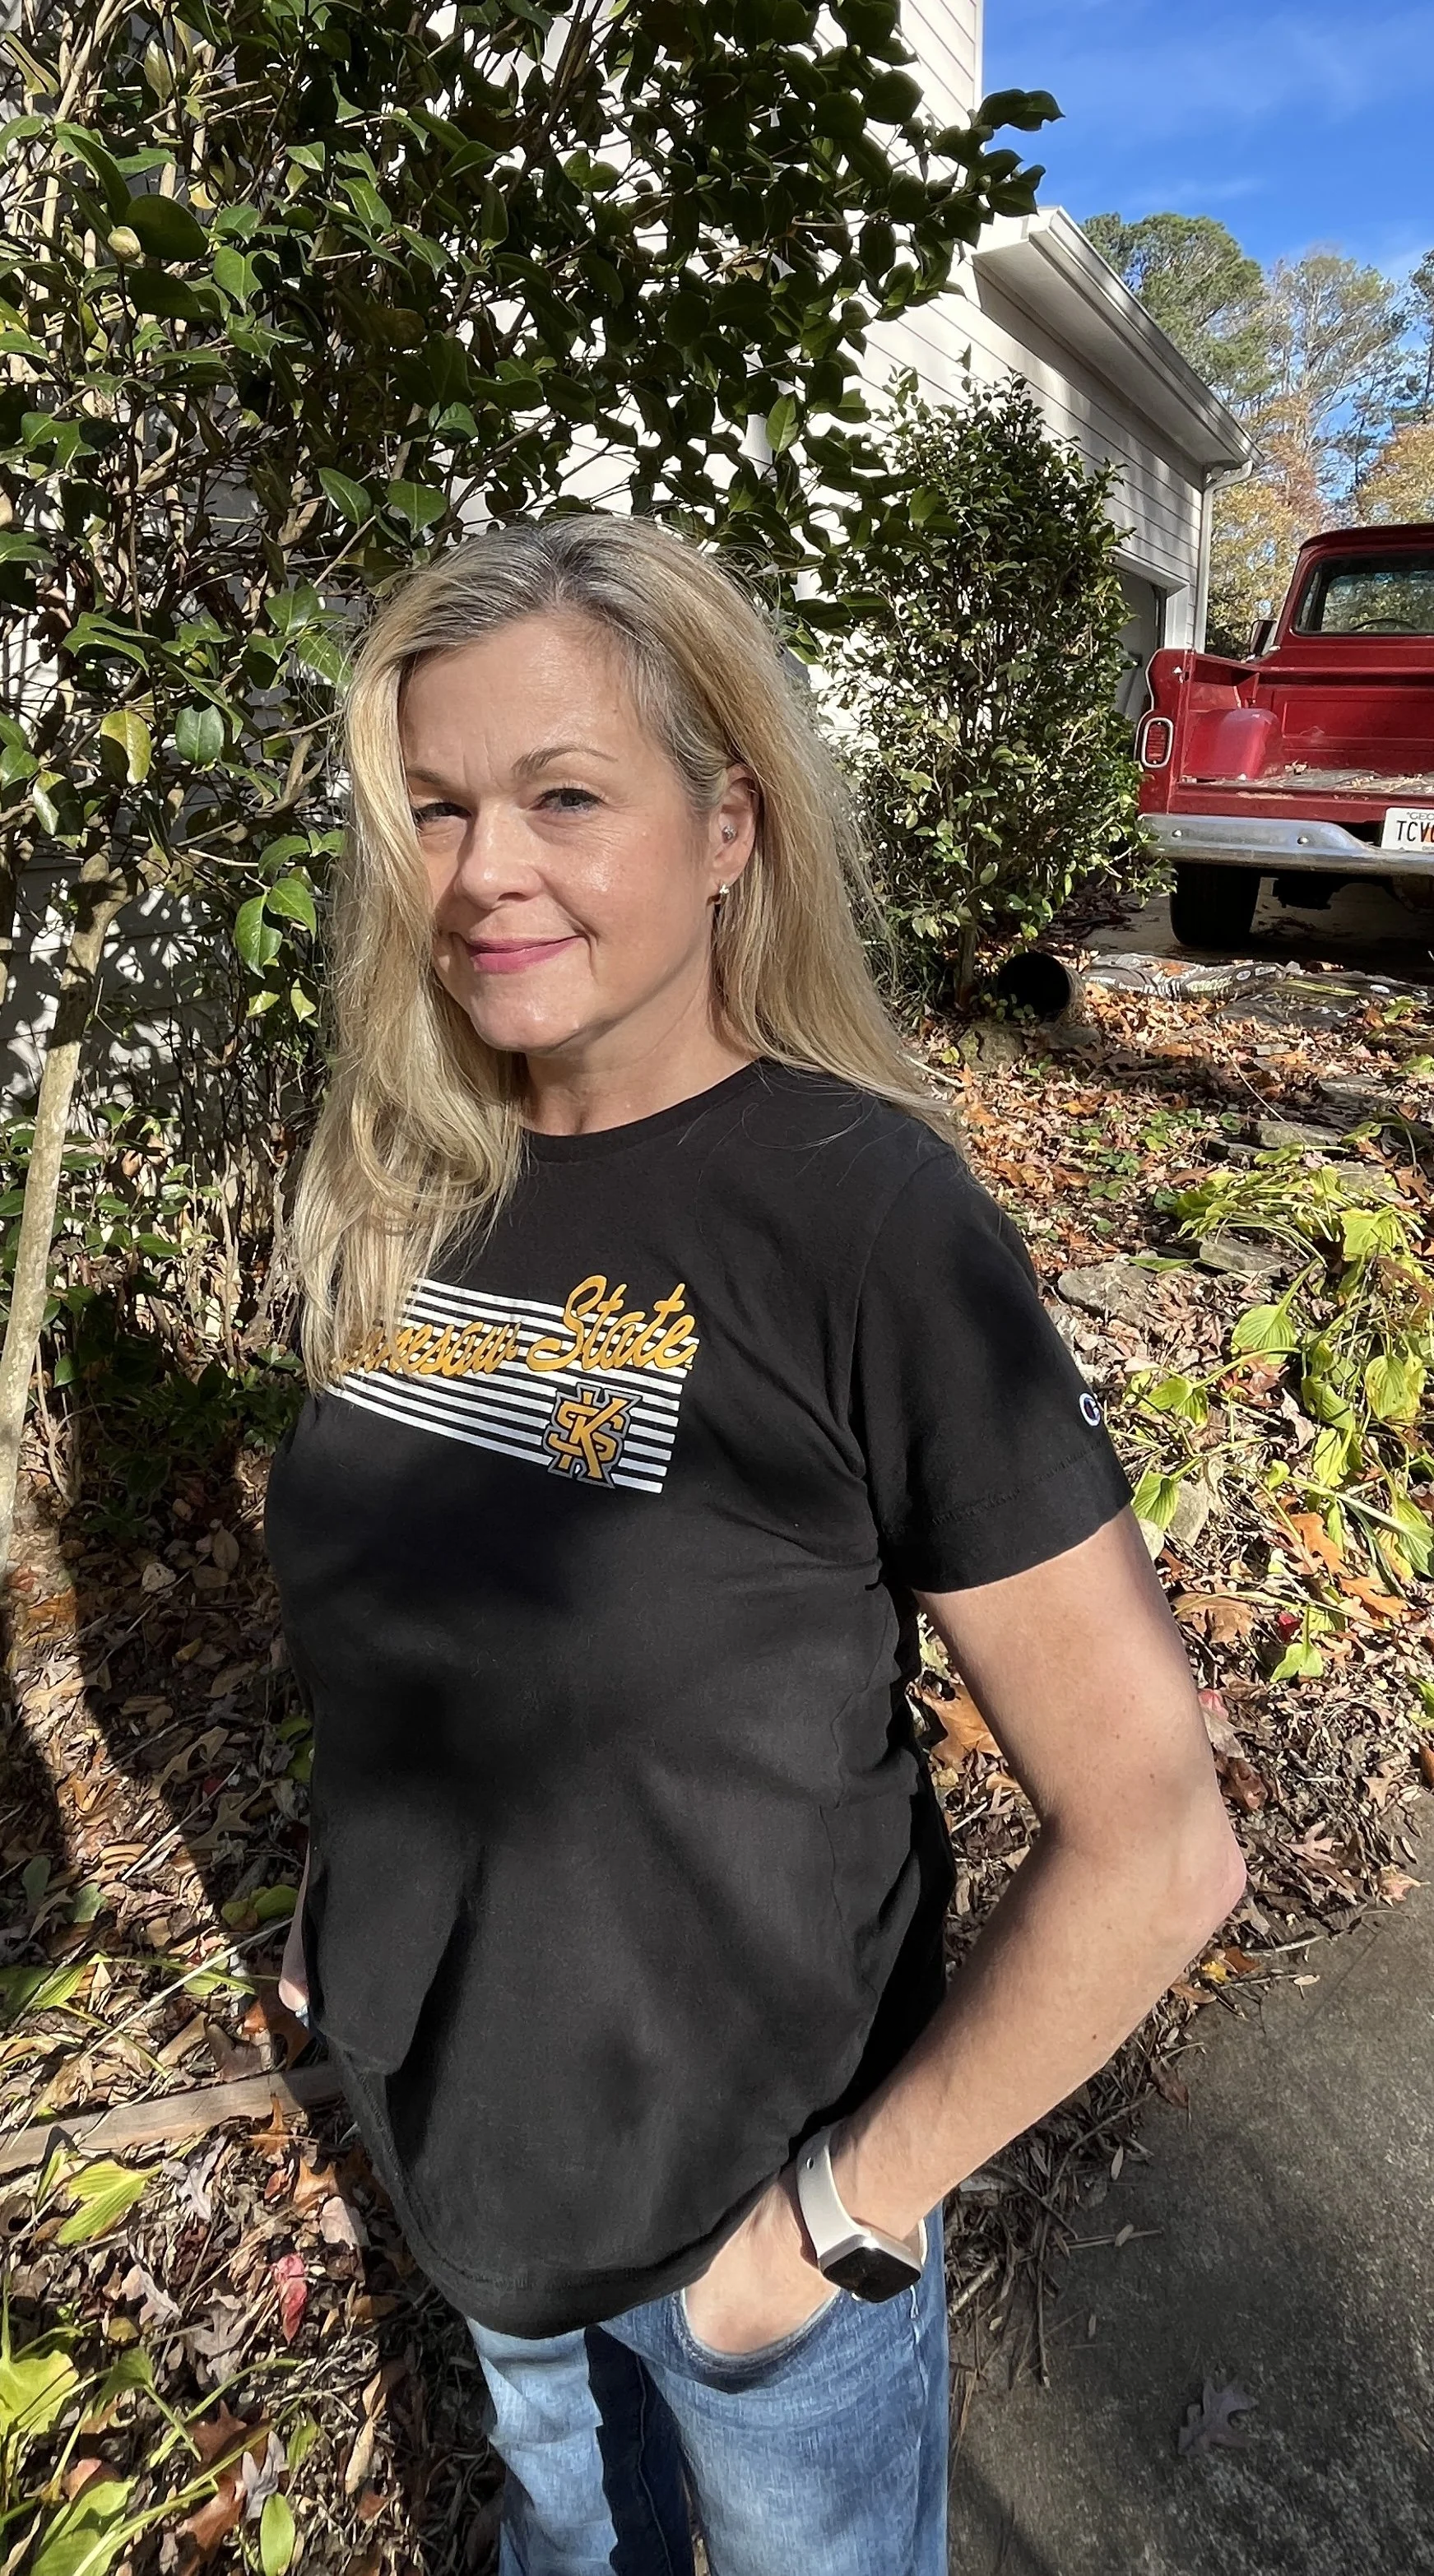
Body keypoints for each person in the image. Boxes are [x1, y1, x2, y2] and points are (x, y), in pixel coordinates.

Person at [264, 514, 1244, 2576]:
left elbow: (1157, 1837)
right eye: (435, 808)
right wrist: (350, 1930)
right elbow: (405, 1606)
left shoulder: (862, 1217)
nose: (483, 869)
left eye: (561, 797)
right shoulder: (403, 1175)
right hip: (471, 2167)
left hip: (747, 2224)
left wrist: (817, 2234)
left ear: (726, 828)